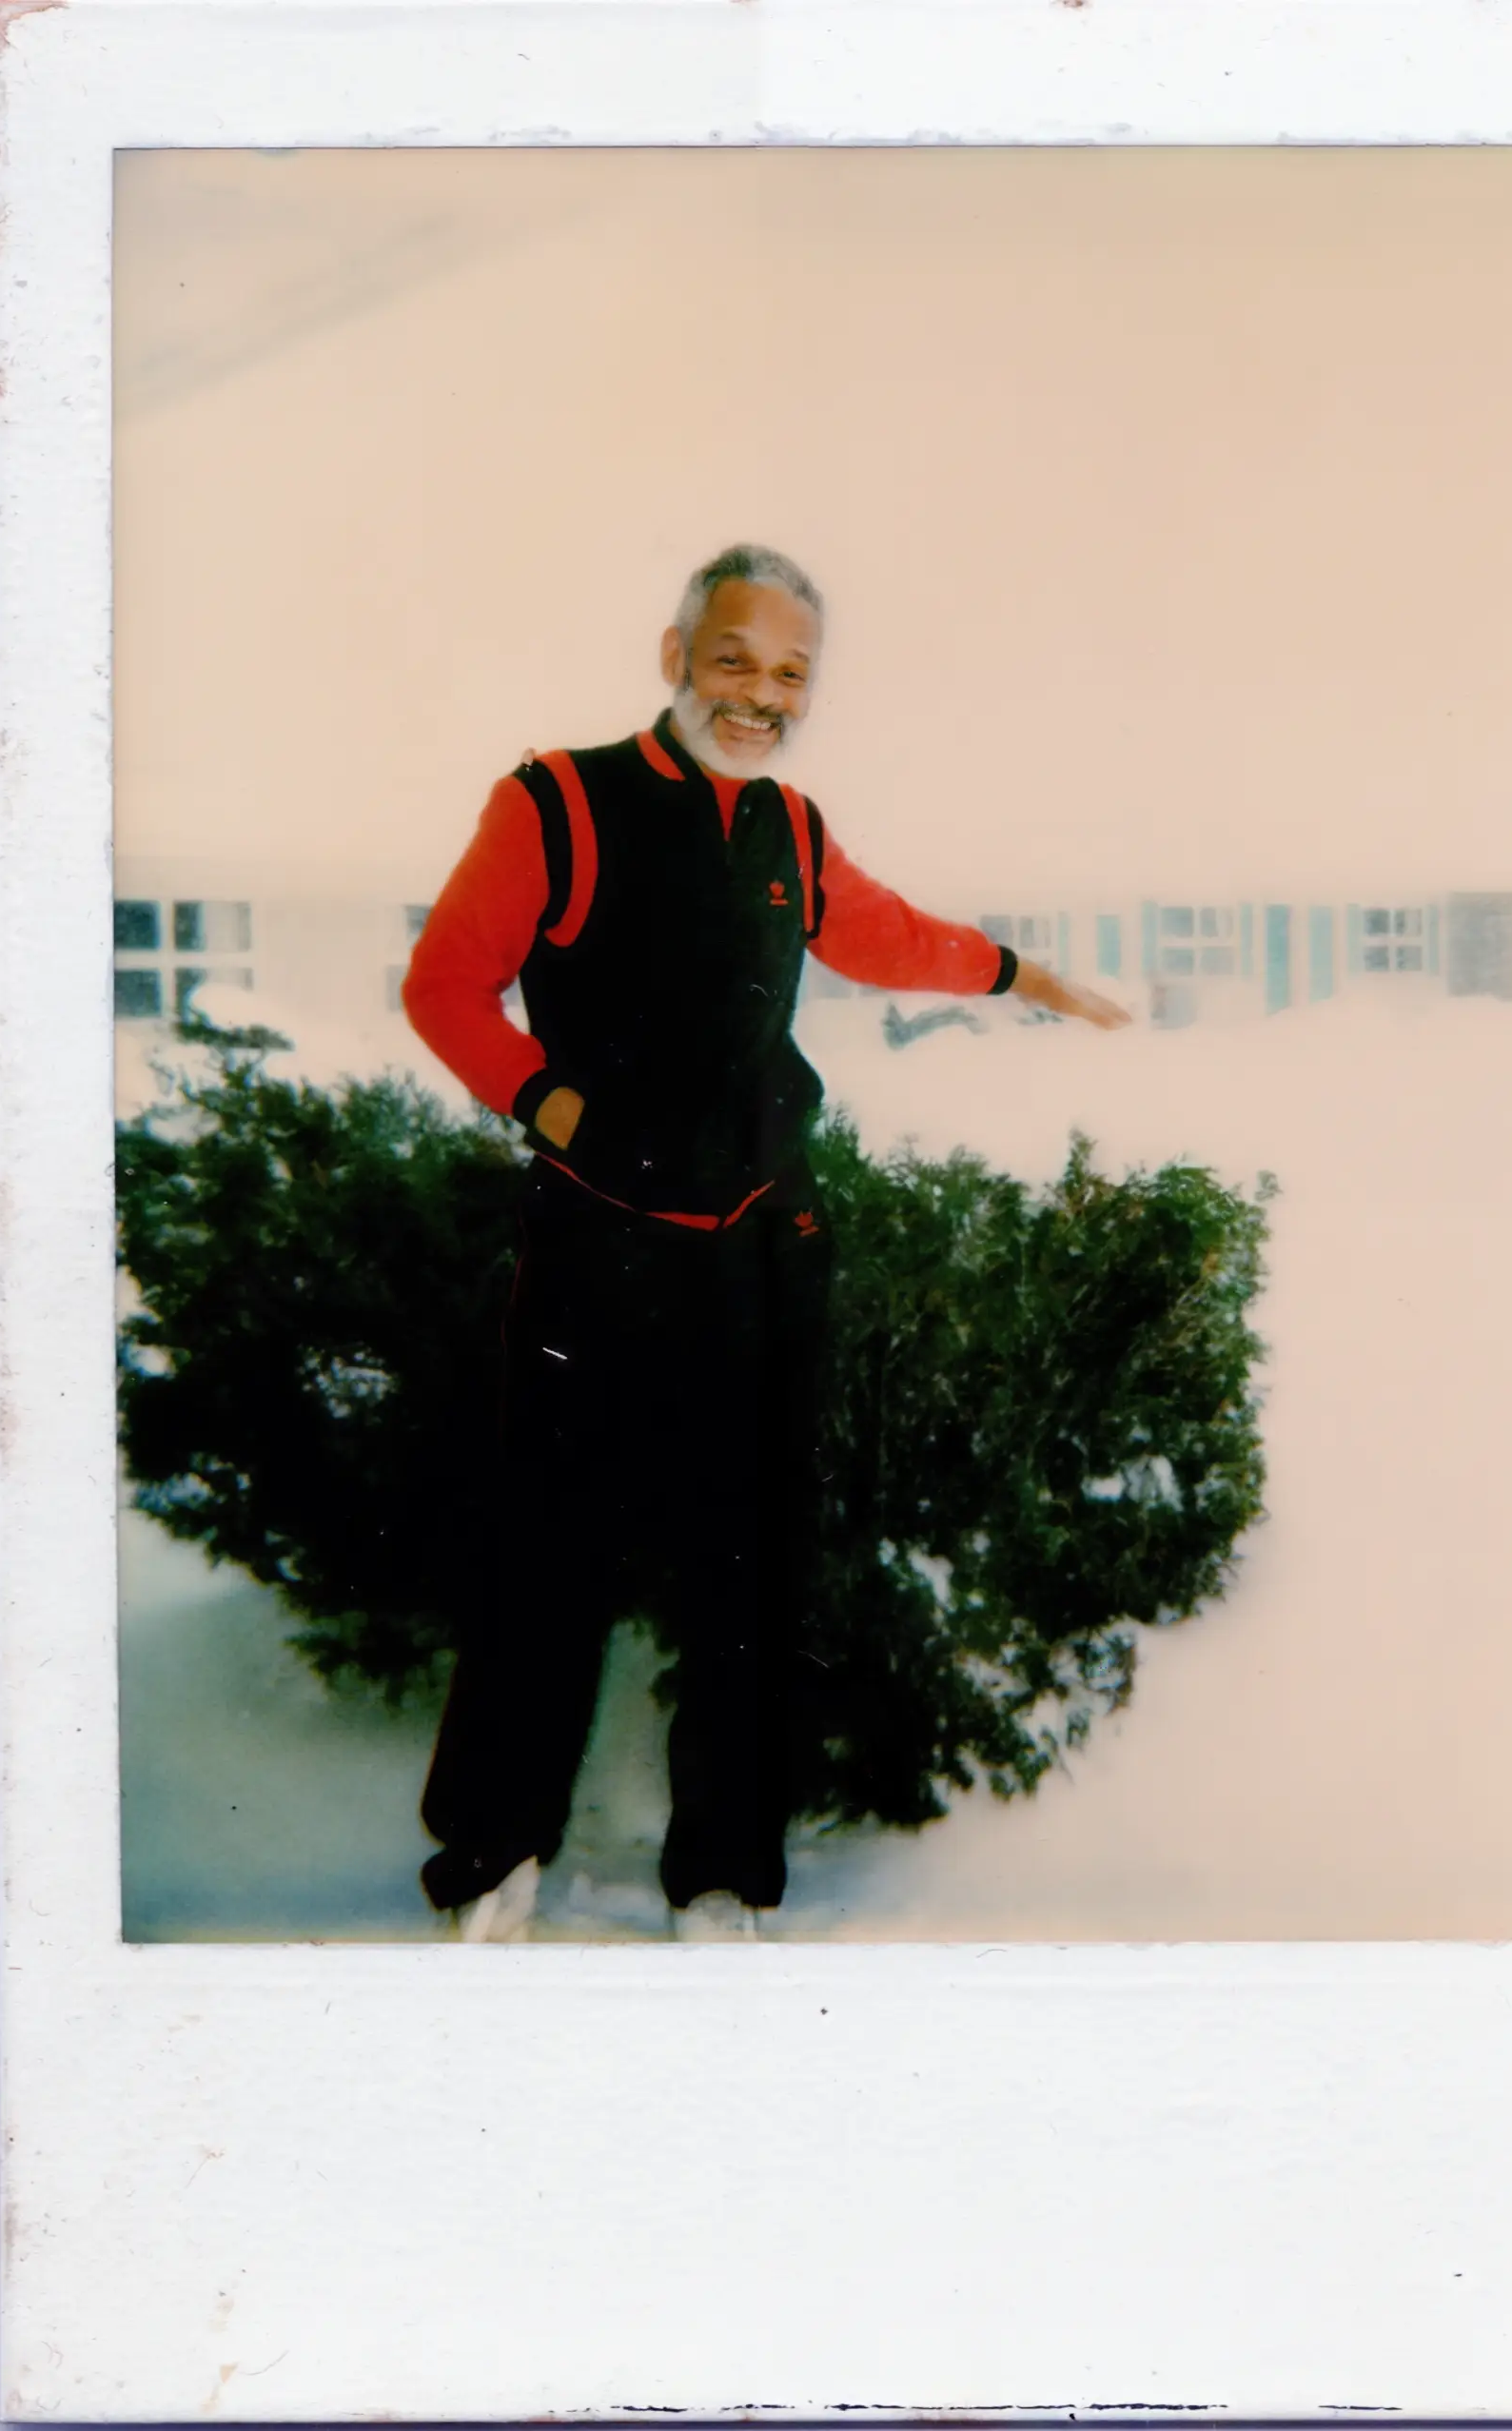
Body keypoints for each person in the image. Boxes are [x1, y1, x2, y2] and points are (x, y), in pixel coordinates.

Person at [402, 543, 1129, 1943]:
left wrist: (1025, 975)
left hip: (757, 1252)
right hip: (599, 1247)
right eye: (734, 657)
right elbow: (446, 987)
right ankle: (491, 1858)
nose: (760, 693)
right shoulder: (557, 801)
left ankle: (723, 1876)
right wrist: (555, 1104)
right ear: (674, 651)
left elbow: (886, 936)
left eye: (790, 672)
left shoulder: (790, 829)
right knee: (548, 1555)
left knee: (748, 1570)